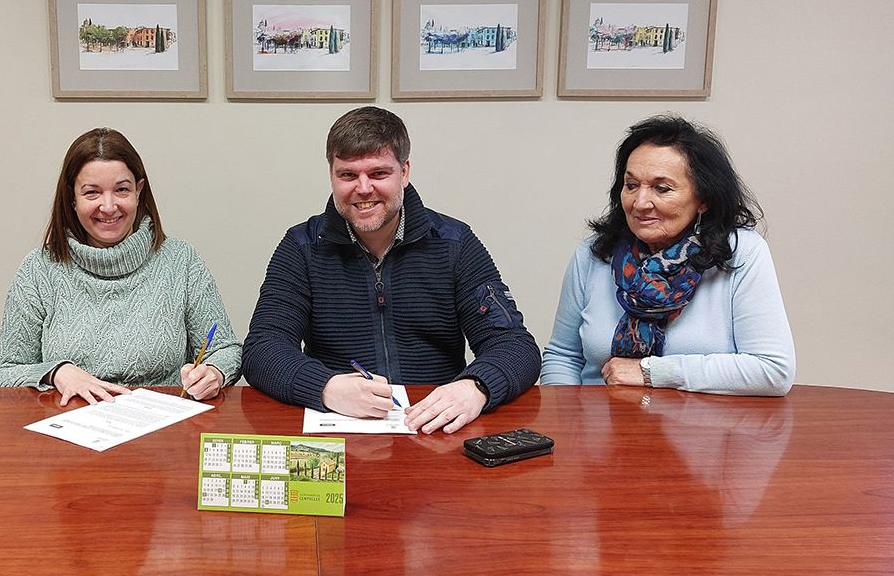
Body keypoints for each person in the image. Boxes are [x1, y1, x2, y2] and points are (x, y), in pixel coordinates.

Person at [243, 106, 540, 434]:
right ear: (331, 175)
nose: (364, 188)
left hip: (435, 430)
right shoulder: (302, 247)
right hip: (337, 431)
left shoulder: (454, 243)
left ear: (405, 171)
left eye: (379, 173)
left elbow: (515, 345)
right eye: (348, 175)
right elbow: (262, 348)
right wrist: (325, 386)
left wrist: (476, 387)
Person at [540, 115, 795, 396]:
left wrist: (650, 372)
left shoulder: (741, 252)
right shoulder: (594, 254)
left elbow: (772, 370)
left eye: (662, 189)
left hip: (700, 434)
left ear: (703, 199)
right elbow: (563, 356)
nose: (640, 203)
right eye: (631, 185)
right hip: (597, 431)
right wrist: (564, 425)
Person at [0, 128, 241, 403]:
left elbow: (226, 349)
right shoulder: (39, 269)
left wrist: (214, 373)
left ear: (139, 191)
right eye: (92, 193)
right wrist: (56, 372)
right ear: (72, 198)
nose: (108, 206)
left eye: (121, 190)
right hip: (70, 431)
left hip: (164, 429)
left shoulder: (181, 260)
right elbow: (4, 373)